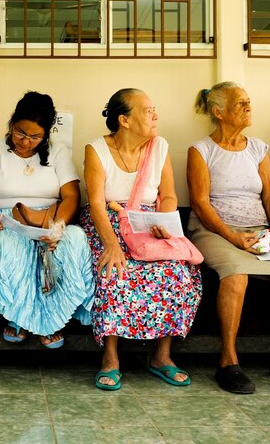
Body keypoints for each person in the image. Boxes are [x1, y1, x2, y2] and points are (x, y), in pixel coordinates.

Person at [187, 82, 270, 394]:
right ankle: (228, 362)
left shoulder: (258, 148)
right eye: (240, 103)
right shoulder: (201, 150)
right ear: (218, 112)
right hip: (213, 230)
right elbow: (201, 203)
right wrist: (233, 238)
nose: (248, 107)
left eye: (248, 101)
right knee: (237, 274)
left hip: (259, 230)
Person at [0, 92, 94, 351]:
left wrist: (57, 226)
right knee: (7, 244)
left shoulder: (57, 153)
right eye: (20, 133)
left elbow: (70, 196)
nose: (25, 142)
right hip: (6, 221)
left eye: (35, 137)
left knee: (74, 239)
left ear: (45, 135)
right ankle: (18, 317)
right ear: (11, 124)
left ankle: (54, 318)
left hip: (49, 220)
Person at [82, 88, 202, 391]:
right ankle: (110, 358)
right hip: (109, 223)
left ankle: (162, 356)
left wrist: (163, 222)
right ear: (124, 119)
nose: (156, 115)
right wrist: (110, 243)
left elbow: (170, 195)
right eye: (148, 111)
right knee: (114, 272)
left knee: (175, 273)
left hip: (150, 224)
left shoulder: (159, 146)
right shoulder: (96, 150)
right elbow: (96, 203)